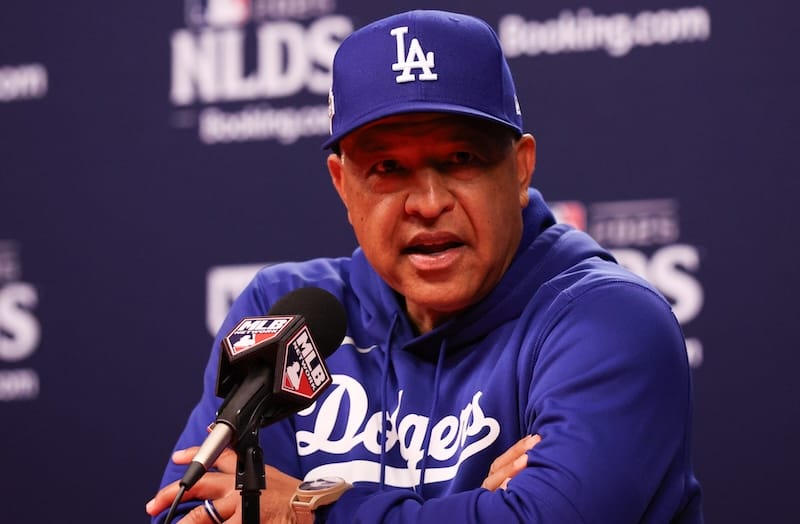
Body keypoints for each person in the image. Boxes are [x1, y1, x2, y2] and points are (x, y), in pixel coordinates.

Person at [147, 9, 703, 523]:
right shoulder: (285, 315)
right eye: (388, 168)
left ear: (520, 170)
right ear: (343, 185)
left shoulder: (607, 321)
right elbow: (192, 510)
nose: (429, 202)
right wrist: (479, 509)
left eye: (461, 160)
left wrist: (304, 509)